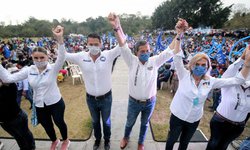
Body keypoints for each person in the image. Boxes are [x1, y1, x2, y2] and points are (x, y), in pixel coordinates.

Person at [165, 34, 250, 150]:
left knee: (184, 143)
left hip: (194, 119)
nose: (200, 67)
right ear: (192, 64)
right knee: (171, 140)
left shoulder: (211, 81)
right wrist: (179, 36)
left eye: (203, 65)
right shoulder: (183, 74)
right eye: (197, 64)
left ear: (207, 66)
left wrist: (244, 61)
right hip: (177, 116)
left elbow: (238, 80)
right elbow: (177, 57)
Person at [118, 18, 187, 150]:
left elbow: (169, 49)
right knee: (130, 122)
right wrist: (117, 27)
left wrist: (179, 34)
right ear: (136, 52)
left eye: (147, 51)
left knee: (144, 124)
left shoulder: (154, 61)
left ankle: (141, 142)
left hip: (150, 102)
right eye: (142, 51)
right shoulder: (131, 61)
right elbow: (123, 45)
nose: (145, 53)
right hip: (134, 102)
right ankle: (126, 137)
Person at [0, 25, 70, 150]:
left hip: (55, 102)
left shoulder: (53, 68)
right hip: (39, 104)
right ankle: (54, 140)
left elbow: (62, 57)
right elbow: (8, 78)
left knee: (59, 122)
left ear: (47, 57)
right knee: (47, 125)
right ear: (32, 58)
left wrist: (59, 39)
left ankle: (65, 140)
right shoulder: (29, 70)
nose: (39, 60)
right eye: (36, 58)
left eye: (42, 57)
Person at [65, 13, 124, 150]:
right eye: (91, 44)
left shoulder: (108, 55)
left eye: (96, 44)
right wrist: (60, 40)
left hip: (106, 98)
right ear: (87, 44)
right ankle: (97, 140)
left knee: (107, 122)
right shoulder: (81, 57)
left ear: (101, 44)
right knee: (95, 122)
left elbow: (122, 45)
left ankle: (107, 140)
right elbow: (64, 55)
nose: (93, 46)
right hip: (91, 98)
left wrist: (117, 26)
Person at [206, 48, 250, 150]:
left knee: (224, 146)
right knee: (213, 144)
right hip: (220, 122)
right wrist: (242, 59)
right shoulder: (230, 84)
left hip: (238, 126)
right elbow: (231, 70)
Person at [0, 79, 35, 150]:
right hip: (4, 122)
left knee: (25, 135)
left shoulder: (9, 86)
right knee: (18, 137)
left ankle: (31, 148)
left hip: (16, 118)